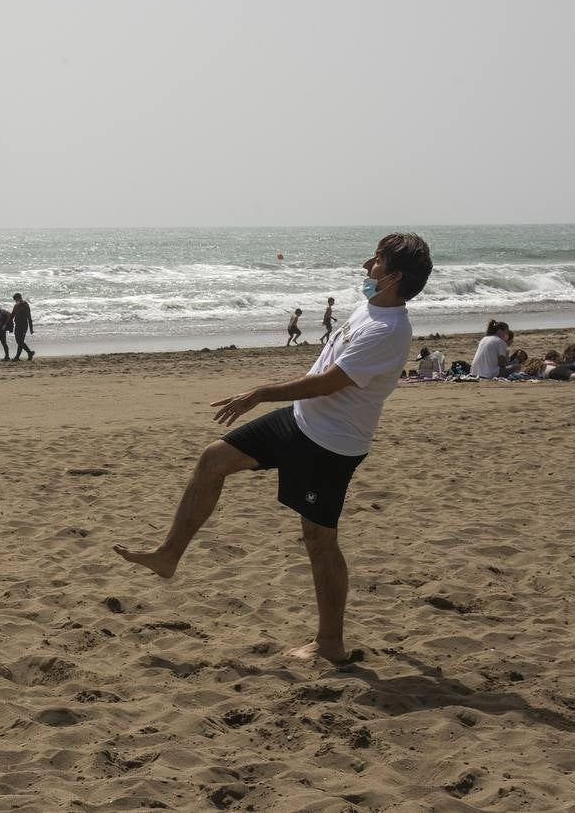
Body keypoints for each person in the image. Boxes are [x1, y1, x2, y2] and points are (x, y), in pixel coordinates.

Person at [113, 233, 433, 664]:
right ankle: (168, 555)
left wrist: (261, 391)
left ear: (393, 276)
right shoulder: (373, 307)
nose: (365, 266)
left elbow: (329, 382)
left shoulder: (387, 330)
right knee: (214, 459)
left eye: (376, 262)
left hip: (330, 443)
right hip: (302, 420)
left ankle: (330, 644)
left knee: (319, 540)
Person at [10, 292, 35, 361]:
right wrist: (7, 324)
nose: (15, 301)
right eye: (15, 300)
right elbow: (12, 315)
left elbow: (29, 317)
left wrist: (31, 329)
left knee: (20, 341)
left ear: (19, 298)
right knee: (18, 341)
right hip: (17, 325)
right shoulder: (16, 306)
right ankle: (30, 352)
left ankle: (17, 357)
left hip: (24, 326)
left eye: (16, 299)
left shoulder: (25, 305)